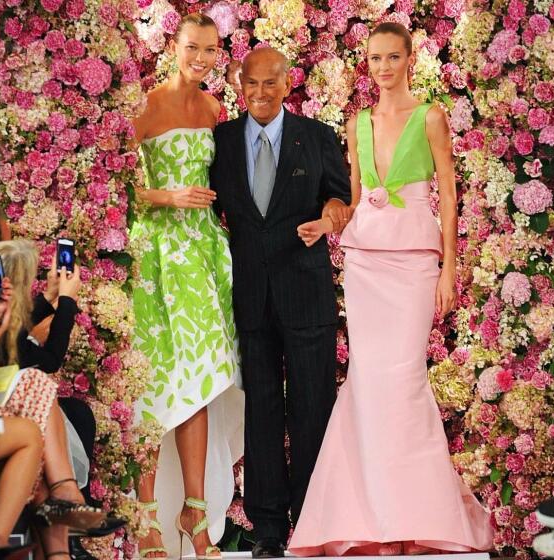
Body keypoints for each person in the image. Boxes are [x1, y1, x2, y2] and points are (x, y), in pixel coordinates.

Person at [288, 23, 492, 556]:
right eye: (375, 58)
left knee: (403, 384)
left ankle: (416, 520)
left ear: (409, 60)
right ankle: (370, 523)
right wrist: (326, 225)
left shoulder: (431, 117)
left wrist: (450, 268)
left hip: (415, 264)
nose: (383, 67)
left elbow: (449, 196)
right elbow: (354, 201)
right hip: (364, 264)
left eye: (392, 57)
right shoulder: (357, 123)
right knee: (367, 386)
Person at [209, 47, 352, 558]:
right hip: (250, 297)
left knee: (312, 408)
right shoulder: (221, 141)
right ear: (239, 83)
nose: (261, 94)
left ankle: (313, 521)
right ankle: (268, 530)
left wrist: (332, 215)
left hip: (306, 292)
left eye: (271, 84)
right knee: (263, 412)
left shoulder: (315, 137)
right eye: (252, 84)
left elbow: (341, 198)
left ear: (287, 83)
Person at [129, 13, 243, 560]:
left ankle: (195, 512)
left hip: (204, 254)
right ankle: (145, 517)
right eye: (192, 47)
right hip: (155, 254)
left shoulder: (214, 109)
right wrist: (166, 196)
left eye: (211, 48)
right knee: (153, 375)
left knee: (201, 378)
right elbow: (120, 186)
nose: (201, 57)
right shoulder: (144, 106)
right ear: (173, 48)